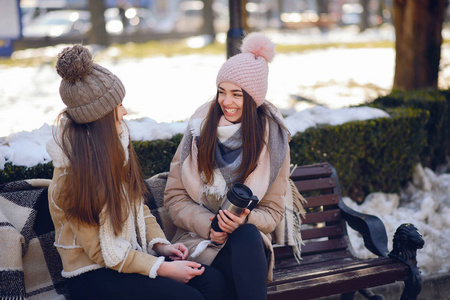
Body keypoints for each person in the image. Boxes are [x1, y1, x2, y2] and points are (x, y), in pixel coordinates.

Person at [46, 44, 225, 300]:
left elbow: (136, 207)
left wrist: (161, 246)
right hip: (92, 276)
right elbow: (99, 252)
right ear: (101, 120)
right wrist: (162, 268)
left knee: (212, 281)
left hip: (126, 258)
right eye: (118, 105)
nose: (125, 111)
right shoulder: (71, 178)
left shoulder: (115, 152)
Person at [164, 33, 291, 300]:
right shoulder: (199, 128)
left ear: (253, 99)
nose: (226, 102)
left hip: (246, 247)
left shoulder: (273, 141)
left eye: (237, 94)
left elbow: (273, 212)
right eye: (222, 92)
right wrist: (209, 226)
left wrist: (244, 219)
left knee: (246, 235)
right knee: (220, 282)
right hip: (198, 241)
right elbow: (174, 197)